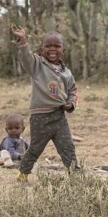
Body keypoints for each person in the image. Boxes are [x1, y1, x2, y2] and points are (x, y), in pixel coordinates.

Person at [10, 25, 79, 180]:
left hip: (59, 117)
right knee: (35, 149)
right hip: (40, 118)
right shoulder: (37, 65)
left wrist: (70, 104)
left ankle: (76, 176)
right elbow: (26, 57)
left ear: (63, 50)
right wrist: (23, 41)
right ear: (42, 49)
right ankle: (23, 174)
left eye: (57, 46)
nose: (52, 49)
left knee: (68, 147)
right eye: (48, 46)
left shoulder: (66, 73)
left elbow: (73, 91)